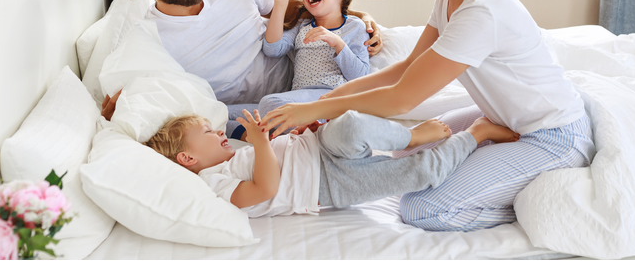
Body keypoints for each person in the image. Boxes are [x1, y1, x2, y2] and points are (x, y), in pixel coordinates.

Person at [262, 0, 596, 232]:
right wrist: (333, 98)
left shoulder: (482, 10)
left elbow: (403, 99)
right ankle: (485, 151)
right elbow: (407, 68)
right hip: (508, 119)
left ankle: (523, 204)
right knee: (406, 153)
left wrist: (312, 109)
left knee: (421, 209)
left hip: (551, 136)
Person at [109, 0, 383, 140]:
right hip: (245, 112)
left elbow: (288, 8)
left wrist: (356, 16)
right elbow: (131, 102)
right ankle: (264, 133)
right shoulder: (150, 39)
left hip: (300, 84)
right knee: (212, 120)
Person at [144, 108, 520, 218]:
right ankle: (477, 133)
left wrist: (285, 135)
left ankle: (411, 135)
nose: (217, 132)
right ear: (187, 158)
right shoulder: (210, 187)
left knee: (352, 124)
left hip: (316, 146)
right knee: (421, 174)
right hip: (327, 188)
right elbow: (266, 189)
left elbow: (277, 155)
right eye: (208, 133)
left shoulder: (231, 155)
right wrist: (259, 144)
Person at [257, 0, 370, 131]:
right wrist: (280, 1)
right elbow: (271, 49)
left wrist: (337, 43)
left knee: (270, 103)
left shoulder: (354, 26)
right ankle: (299, 130)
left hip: (331, 97)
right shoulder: (302, 26)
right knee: (227, 114)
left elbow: (361, 77)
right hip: (300, 97)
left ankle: (315, 127)